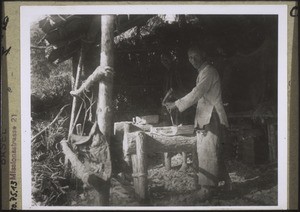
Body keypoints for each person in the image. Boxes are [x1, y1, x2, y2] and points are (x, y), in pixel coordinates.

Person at [165, 46, 232, 192]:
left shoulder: (209, 71)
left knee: (208, 150)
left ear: (203, 55)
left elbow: (197, 92)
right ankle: (227, 184)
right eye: (190, 57)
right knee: (213, 151)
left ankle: (207, 189)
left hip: (212, 116)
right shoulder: (202, 72)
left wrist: (176, 104)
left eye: (195, 56)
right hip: (206, 116)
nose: (193, 60)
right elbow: (197, 95)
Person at [160, 51, 195, 171]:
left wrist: (165, 101)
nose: (164, 62)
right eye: (162, 60)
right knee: (168, 132)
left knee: (181, 130)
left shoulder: (176, 71)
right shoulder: (167, 72)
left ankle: (185, 163)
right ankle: (168, 164)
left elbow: (173, 90)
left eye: (166, 59)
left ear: (171, 59)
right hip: (170, 106)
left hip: (178, 105)